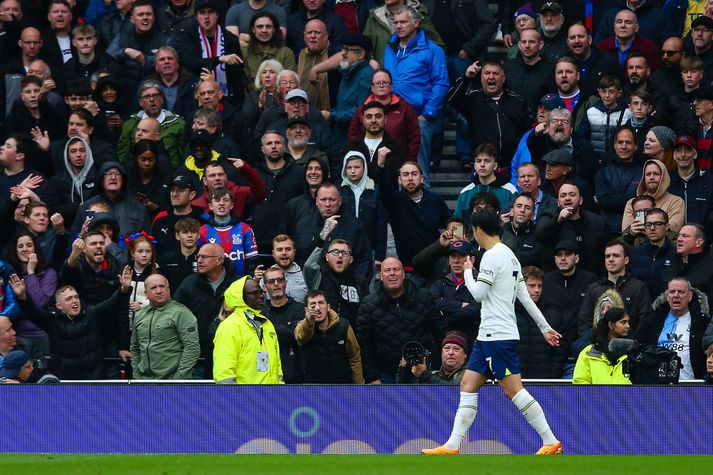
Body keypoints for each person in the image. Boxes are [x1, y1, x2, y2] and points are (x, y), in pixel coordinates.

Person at [421, 209, 563, 456]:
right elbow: (526, 299)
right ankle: (453, 446)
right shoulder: (510, 256)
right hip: (487, 336)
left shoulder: (491, 256)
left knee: (513, 390)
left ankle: (550, 440)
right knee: (467, 384)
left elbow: (478, 294)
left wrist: (467, 270)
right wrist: (545, 328)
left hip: (498, 336)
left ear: (477, 231)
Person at [9, 266, 132, 380]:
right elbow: (33, 312)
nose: (74, 301)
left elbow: (112, 304)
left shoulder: (92, 313)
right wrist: (22, 296)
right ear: (59, 306)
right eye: (69, 299)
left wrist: (124, 289)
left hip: (93, 380)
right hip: (65, 381)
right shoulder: (52, 320)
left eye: (76, 297)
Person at [383, 6, 449, 186]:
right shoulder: (390, 47)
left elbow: (441, 83)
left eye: (403, 22)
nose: (398, 26)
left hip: (419, 117)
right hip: (392, 117)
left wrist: (426, 114)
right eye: (395, 22)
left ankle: (423, 212)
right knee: (394, 173)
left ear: (417, 23)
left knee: (418, 174)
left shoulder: (432, 50)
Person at [357, 256, 447, 384]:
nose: (392, 273)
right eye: (387, 270)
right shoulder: (368, 304)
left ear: (403, 274)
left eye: (396, 269)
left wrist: (441, 365)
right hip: (387, 374)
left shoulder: (423, 297)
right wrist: (372, 377)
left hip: (421, 370)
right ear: (381, 276)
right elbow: (365, 345)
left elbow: (440, 330)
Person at [448, 60, 529, 175]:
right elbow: (451, 99)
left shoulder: (517, 101)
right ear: (481, 78)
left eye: (495, 73)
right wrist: (466, 78)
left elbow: (527, 130)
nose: (491, 77)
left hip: (513, 168)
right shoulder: (473, 98)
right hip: (483, 167)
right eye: (487, 73)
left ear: (503, 78)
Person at [174, 243, 237, 379]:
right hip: (197, 357)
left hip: (230, 356)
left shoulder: (236, 284)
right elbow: (175, 314)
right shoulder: (189, 283)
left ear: (219, 260)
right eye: (198, 257)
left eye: (205, 257)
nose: (199, 261)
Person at [377, 158, 450, 269]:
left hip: (436, 265)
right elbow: (384, 188)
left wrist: (456, 238)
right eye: (405, 175)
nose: (410, 178)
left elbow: (453, 223)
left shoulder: (436, 200)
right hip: (409, 267)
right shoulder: (394, 201)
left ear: (421, 178)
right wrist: (381, 166)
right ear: (399, 180)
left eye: (414, 174)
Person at [213, 276, 283, 384]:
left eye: (261, 292)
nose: (261, 296)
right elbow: (224, 372)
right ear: (240, 297)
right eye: (255, 293)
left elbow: (277, 366)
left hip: (272, 396)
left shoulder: (267, 324)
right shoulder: (229, 326)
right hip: (244, 398)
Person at [638, 277, 711, 380]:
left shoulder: (702, 322)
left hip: (692, 385)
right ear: (667, 296)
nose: (676, 295)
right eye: (672, 292)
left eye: (681, 292)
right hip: (658, 386)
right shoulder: (652, 321)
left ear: (689, 296)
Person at [576, 239, 651, 339]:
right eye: (607, 256)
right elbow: (584, 322)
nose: (611, 259)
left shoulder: (638, 287)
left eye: (616, 255)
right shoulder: (594, 289)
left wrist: (630, 344)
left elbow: (645, 322)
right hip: (596, 347)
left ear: (626, 260)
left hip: (628, 346)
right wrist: (592, 342)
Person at [130, 274, 200, 379]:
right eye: (153, 288)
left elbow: (192, 348)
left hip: (173, 380)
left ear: (168, 289)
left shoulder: (181, 313)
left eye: (162, 286)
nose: (159, 291)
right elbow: (135, 347)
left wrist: (178, 379)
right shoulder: (140, 315)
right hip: (145, 381)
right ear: (146, 294)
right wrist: (137, 375)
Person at [347, 69, 420, 164]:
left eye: (385, 82)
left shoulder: (405, 108)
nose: (381, 85)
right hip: (367, 162)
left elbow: (415, 136)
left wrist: (410, 161)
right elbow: (353, 135)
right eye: (377, 83)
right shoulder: (362, 109)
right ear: (372, 88)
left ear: (392, 86)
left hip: (399, 161)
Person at [2, 231, 55, 358]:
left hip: (41, 334)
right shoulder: (9, 274)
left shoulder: (49, 273)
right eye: (20, 246)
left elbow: (39, 303)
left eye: (29, 245)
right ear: (15, 250)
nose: (25, 249)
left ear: (35, 248)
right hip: (17, 334)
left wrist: (30, 272)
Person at [535, 181, 606, 275]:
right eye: (563, 195)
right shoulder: (548, 216)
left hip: (590, 278)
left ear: (580, 200)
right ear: (557, 202)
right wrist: (558, 221)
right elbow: (540, 235)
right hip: (557, 278)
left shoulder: (596, 221)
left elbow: (603, 252)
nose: (567, 198)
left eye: (572, 195)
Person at [294, 289, 363, 384]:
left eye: (321, 303)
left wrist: (359, 387)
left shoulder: (343, 326)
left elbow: (354, 358)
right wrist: (309, 323)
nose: (317, 308)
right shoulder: (302, 326)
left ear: (328, 307)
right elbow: (301, 337)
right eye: (313, 304)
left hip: (342, 387)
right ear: (306, 310)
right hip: (314, 388)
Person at [199, 187, 258, 278]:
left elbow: (252, 261)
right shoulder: (202, 231)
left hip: (239, 284)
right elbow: (198, 261)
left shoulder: (244, 229)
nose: (222, 203)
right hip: (212, 284)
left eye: (226, 200)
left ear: (231, 205)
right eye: (217, 200)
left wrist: (248, 281)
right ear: (210, 206)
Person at [429, 240, 480, 342]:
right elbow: (432, 304)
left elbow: (475, 310)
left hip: (472, 340)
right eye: (453, 256)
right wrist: (460, 305)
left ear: (472, 259)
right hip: (445, 341)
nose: (456, 261)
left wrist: (445, 320)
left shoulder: (480, 282)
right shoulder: (440, 284)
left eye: (461, 256)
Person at [595, 126, 641, 237]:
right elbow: (604, 201)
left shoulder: (644, 172)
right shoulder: (603, 173)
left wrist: (614, 199)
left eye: (628, 143)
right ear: (615, 145)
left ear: (635, 146)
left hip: (636, 230)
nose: (624, 147)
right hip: (608, 230)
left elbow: (644, 201)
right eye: (620, 142)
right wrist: (633, 197)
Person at [261, 265, 304, 383]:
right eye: (271, 281)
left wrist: (267, 327)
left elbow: (295, 337)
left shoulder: (299, 309)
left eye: (280, 280)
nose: (276, 284)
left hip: (295, 377)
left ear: (285, 283)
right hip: (266, 378)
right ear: (264, 287)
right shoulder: (260, 311)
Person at [621, 159, 686, 235]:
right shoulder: (631, 202)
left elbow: (674, 230)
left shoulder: (676, 201)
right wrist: (632, 231)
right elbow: (625, 233)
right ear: (643, 177)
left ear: (663, 176)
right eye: (648, 174)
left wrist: (644, 229)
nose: (651, 177)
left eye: (656, 174)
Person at [454, 143, 517, 219]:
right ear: (474, 165)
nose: (482, 164)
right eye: (478, 161)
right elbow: (456, 222)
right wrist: (453, 230)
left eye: (487, 161)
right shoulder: (465, 192)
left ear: (495, 166)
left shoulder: (510, 191)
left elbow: (516, 222)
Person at [572, 306, 632, 384]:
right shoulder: (588, 353)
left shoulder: (633, 351)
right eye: (623, 322)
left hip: (626, 396)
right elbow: (580, 382)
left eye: (628, 322)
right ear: (611, 325)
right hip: (598, 396)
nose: (628, 326)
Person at [629, 208, 678, 298]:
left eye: (657, 224)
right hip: (638, 306)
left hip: (665, 306)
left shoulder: (676, 255)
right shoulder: (634, 253)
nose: (652, 228)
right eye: (648, 224)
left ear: (667, 226)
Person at [397, 330, 469, 385]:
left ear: (465, 354)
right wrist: (404, 372)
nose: (450, 352)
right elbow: (405, 397)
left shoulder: (471, 374)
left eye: (456, 349)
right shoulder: (434, 375)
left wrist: (425, 375)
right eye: (447, 348)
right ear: (441, 353)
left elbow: (454, 392)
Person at [158, 217, 200, 291]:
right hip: (173, 301)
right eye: (185, 232)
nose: (190, 235)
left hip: (199, 301)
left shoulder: (205, 258)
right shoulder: (167, 259)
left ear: (198, 235)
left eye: (193, 232)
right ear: (177, 236)